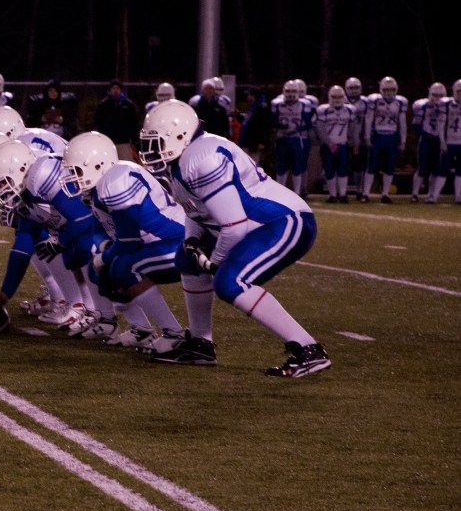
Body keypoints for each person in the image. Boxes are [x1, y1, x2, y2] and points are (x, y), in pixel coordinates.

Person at [139, 99, 331, 378]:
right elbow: (196, 210)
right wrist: (192, 242)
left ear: (179, 135)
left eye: (155, 142)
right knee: (186, 259)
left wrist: (214, 262)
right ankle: (201, 345)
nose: (150, 150)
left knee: (229, 282)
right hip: (248, 225)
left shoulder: (201, 157)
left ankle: (308, 349)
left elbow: (234, 225)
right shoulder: (183, 159)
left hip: (281, 221)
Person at [60, 131, 187, 352]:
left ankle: (174, 333)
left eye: (76, 170)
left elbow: (129, 240)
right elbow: (99, 227)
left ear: (98, 164)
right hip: (151, 244)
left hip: (177, 241)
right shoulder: (101, 186)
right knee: (102, 272)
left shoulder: (117, 180)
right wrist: (104, 248)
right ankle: (141, 329)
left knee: (121, 267)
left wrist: (105, 257)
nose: (73, 177)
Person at [0, 139, 111, 337]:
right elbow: (22, 249)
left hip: (103, 224)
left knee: (81, 249)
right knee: (61, 250)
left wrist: (60, 242)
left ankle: (104, 316)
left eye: (3, 181)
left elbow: (82, 218)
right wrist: (5, 294)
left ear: (21, 169)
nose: (0, 188)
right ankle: (88, 310)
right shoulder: (25, 196)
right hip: (81, 226)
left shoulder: (42, 177)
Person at [361, 76, 408, 203]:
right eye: (386, 89)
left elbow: (402, 122)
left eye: (391, 89)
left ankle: (385, 194)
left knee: (390, 165)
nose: (388, 92)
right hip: (377, 135)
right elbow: (369, 119)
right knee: (371, 164)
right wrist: (367, 136)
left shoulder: (400, 102)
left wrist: (403, 139)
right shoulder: (375, 100)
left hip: (392, 136)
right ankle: (365, 193)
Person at [313, 86, 357, 203]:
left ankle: (343, 195)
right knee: (329, 170)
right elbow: (320, 129)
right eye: (334, 96)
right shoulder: (323, 110)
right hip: (328, 145)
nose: (337, 99)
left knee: (343, 170)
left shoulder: (350, 110)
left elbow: (353, 129)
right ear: (329, 97)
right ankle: (332, 195)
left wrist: (353, 142)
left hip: (342, 144)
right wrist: (328, 143)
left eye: (339, 96)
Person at [270, 80, 314, 196]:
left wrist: (297, 129)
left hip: (297, 138)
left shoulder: (303, 104)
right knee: (281, 166)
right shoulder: (277, 104)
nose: (290, 94)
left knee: (297, 166)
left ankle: (297, 192)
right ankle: (280, 193)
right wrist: (281, 126)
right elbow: (271, 121)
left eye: (293, 91)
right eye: (288, 91)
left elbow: (309, 124)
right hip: (282, 137)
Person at [410, 82, 446, 202]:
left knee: (436, 169)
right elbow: (415, 125)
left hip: (439, 140)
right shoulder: (422, 105)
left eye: (440, 95)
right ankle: (415, 194)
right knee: (422, 167)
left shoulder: (448, 106)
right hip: (426, 140)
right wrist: (426, 135)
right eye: (435, 95)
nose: (437, 98)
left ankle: (431, 194)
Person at [428, 79, 461, 204]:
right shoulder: (447, 104)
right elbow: (441, 125)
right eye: (459, 91)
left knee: (460, 172)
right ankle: (434, 196)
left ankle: (458, 196)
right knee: (442, 170)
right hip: (450, 142)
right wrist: (442, 141)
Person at [93, 80, 140, 162]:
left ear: (120, 90)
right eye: (113, 88)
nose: (115, 90)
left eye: (117, 88)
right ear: (110, 90)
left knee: (126, 163)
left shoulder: (128, 105)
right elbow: (98, 122)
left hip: (124, 141)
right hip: (109, 141)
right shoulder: (103, 105)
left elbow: (134, 123)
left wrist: (134, 139)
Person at [344, 77, 368, 199]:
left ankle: (359, 190)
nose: (354, 90)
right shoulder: (340, 99)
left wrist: (366, 136)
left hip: (359, 139)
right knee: (342, 165)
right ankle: (341, 191)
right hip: (343, 138)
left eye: (356, 87)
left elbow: (369, 121)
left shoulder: (366, 102)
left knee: (359, 165)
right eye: (351, 88)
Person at [238, 87, 271, 164]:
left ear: (254, 96)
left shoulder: (262, 108)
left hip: (254, 143)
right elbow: (248, 123)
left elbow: (265, 126)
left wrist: (262, 141)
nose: (247, 97)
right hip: (247, 142)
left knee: (253, 165)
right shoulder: (253, 107)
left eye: (249, 95)